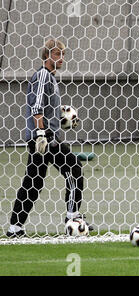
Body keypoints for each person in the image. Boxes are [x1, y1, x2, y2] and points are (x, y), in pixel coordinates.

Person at [6, 39, 92, 238]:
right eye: (56, 54)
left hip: (46, 136)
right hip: (44, 138)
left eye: (63, 54)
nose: (61, 58)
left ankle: (15, 228)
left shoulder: (49, 78)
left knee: (34, 182)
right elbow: (36, 108)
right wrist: (41, 134)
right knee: (74, 168)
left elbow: (43, 108)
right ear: (46, 56)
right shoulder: (43, 75)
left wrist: (59, 117)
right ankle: (73, 218)